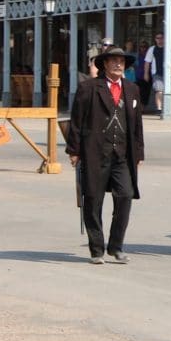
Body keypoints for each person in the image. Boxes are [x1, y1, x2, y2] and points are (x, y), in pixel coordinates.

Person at [65, 46, 144, 264]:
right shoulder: (89, 88)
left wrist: (138, 153)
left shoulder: (132, 89)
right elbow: (76, 121)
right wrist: (74, 150)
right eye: (114, 61)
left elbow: (137, 125)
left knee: (126, 195)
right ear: (105, 64)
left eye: (121, 61)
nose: (119, 64)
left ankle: (116, 246)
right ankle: (97, 249)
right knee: (93, 200)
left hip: (122, 154)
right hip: (95, 152)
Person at [143, 34, 166, 113]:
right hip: (156, 73)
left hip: (167, 74)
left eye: (161, 38)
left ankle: (166, 108)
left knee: (167, 91)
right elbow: (147, 62)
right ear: (155, 39)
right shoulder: (152, 49)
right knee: (159, 90)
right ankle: (159, 108)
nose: (160, 40)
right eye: (158, 38)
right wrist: (146, 73)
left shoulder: (168, 48)